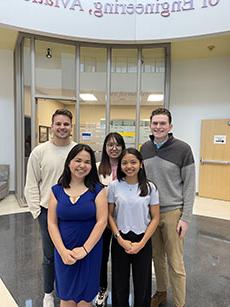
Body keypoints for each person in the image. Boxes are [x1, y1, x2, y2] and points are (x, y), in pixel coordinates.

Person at [140, 108, 196, 307]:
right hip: (151, 212)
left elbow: (190, 186)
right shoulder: (144, 148)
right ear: (150, 125)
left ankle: (180, 303)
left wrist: (186, 218)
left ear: (170, 126)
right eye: (155, 123)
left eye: (162, 123)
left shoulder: (183, 149)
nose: (158, 127)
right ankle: (161, 292)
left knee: (175, 261)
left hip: (173, 213)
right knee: (157, 257)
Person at [24, 109, 76, 307]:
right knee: (49, 255)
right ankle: (48, 293)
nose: (62, 127)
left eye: (66, 124)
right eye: (58, 124)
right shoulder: (40, 152)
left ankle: (69, 290)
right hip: (48, 212)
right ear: (53, 126)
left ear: (71, 126)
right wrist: (37, 212)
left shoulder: (77, 149)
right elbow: (31, 184)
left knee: (71, 252)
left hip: (72, 212)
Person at [48, 144, 108, 307]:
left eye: (87, 162)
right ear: (69, 163)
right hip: (64, 251)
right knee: (66, 297)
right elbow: (52, 223)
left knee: (84, 299)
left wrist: (85, 249)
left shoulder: (97, 190)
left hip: (90, 251)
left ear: (91, 166)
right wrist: (62, 251)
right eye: (78, 160)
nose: (82, 165)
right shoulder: (56, 190)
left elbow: (102, 222)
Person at [108, 148, 160, 307]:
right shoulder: (114, 186)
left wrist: (142, 243)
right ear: (120, 166)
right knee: (119, 283)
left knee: (142, 284)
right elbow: (109, 215)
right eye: (124, 162)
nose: (129, 166)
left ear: (141, 164)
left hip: (142, 240)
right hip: (120, 239)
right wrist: (119, 239)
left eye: (133, 162)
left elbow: (155, 217)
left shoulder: (150, 187)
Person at [95, 132, 125, 307]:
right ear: (105, 148)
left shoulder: (127, 166)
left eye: (117, 145)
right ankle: (102, 289)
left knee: (120, 258)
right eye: (110, 145)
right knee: (102, 257)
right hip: (102, 221)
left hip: (123, 220)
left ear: (122, 147)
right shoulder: (97, 168)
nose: (114, 148)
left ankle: (120, 291)